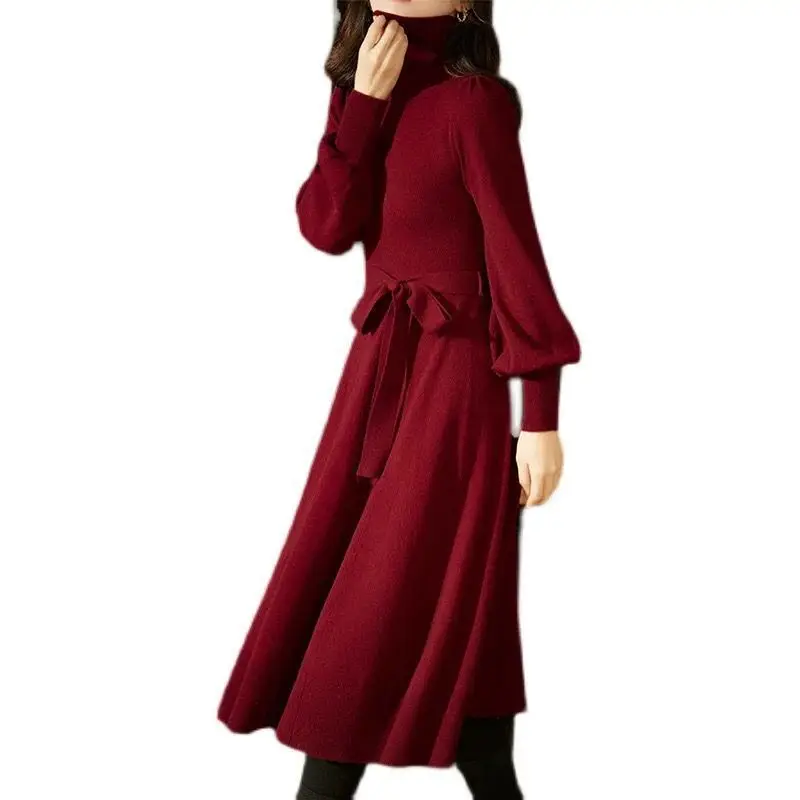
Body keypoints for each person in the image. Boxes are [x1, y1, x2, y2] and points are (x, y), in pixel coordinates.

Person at [217, 2, 581, 797]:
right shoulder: (361, 92)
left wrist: (540, 416)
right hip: (377, 374)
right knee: (450, 653)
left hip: (456, 387)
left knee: (371, 604)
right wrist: (364, 107)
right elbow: (326, 227)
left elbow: (515, 257)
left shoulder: (476, 103)